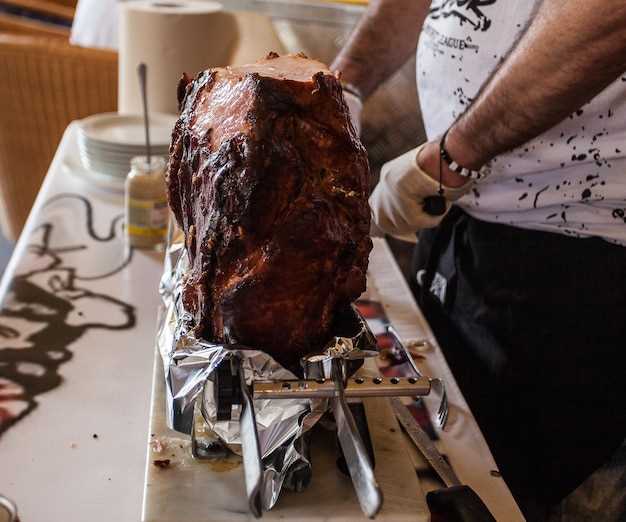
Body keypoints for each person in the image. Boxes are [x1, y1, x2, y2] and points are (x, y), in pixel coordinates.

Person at [332, 1, 626, 520]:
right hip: (462, 225)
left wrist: (452, 155)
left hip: (583, 270)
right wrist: (345, 85)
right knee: (453, 472)